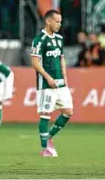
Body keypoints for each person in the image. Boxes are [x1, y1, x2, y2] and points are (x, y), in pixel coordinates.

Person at [30, 9, 73, 157]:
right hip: (46, 85)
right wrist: (48, 77)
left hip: (61, 84)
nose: (59, 24)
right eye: (57, 21)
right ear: (48, 21)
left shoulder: (59, 39)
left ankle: (49, 137)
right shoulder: (39, 39)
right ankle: (44, 149)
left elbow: (61, 58)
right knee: (45, 114)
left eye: (60, 21)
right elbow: (35, 62)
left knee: (68, 112)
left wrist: (65, 78)